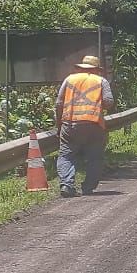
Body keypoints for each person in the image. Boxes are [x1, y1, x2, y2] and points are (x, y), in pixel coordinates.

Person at [55, 55, 114, 197]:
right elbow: (108, 102)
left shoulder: (69, 79)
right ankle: (88, 187)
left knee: (66, 155)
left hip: (70, 123)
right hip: (94, 124)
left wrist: (59, 124)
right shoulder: (101, 81)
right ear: (97, 69)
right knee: (95, 157)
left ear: (81, 67)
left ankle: (67, 185)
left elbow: (58, 104)